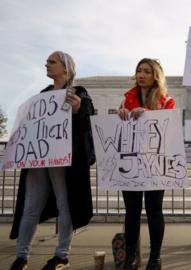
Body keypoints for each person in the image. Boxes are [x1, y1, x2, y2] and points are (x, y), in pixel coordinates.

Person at [9, 51, 95, 270]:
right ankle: (21, 256)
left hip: (62, 161)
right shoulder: (42, 95)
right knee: (30, 206)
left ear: (65, 68)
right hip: (39, 160)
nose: (46, 65)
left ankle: (61, 255)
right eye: (47, 61)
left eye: (52, 62)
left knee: (65, 205)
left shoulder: (79, 93)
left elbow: (88, 121)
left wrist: (77, 109)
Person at [117, 58, 175, 270]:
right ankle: (132, 255)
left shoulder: (167, 100)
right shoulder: (127, 99)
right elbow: (120, 128)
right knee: (131, 211)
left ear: (155, 75)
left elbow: (168, 125)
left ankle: (155, 257)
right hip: (131, 162)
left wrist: (148, 114)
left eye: (147, 71)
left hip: (154, 164)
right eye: (139, 71)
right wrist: (121, 115)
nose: (141, 75)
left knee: (154, 210)